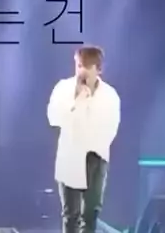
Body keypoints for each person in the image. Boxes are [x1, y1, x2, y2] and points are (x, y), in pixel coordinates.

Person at [47, 45, 121, 233]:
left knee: (90, 215)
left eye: (87, 66)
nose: (82, 71)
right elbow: (53, 118)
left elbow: (110, 129)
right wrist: (77, 100)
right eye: (79, 65)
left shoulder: (109, 96)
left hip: (96, 158)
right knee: (70, 215)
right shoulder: (63, 88)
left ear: (98, 69)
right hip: (70, 157)